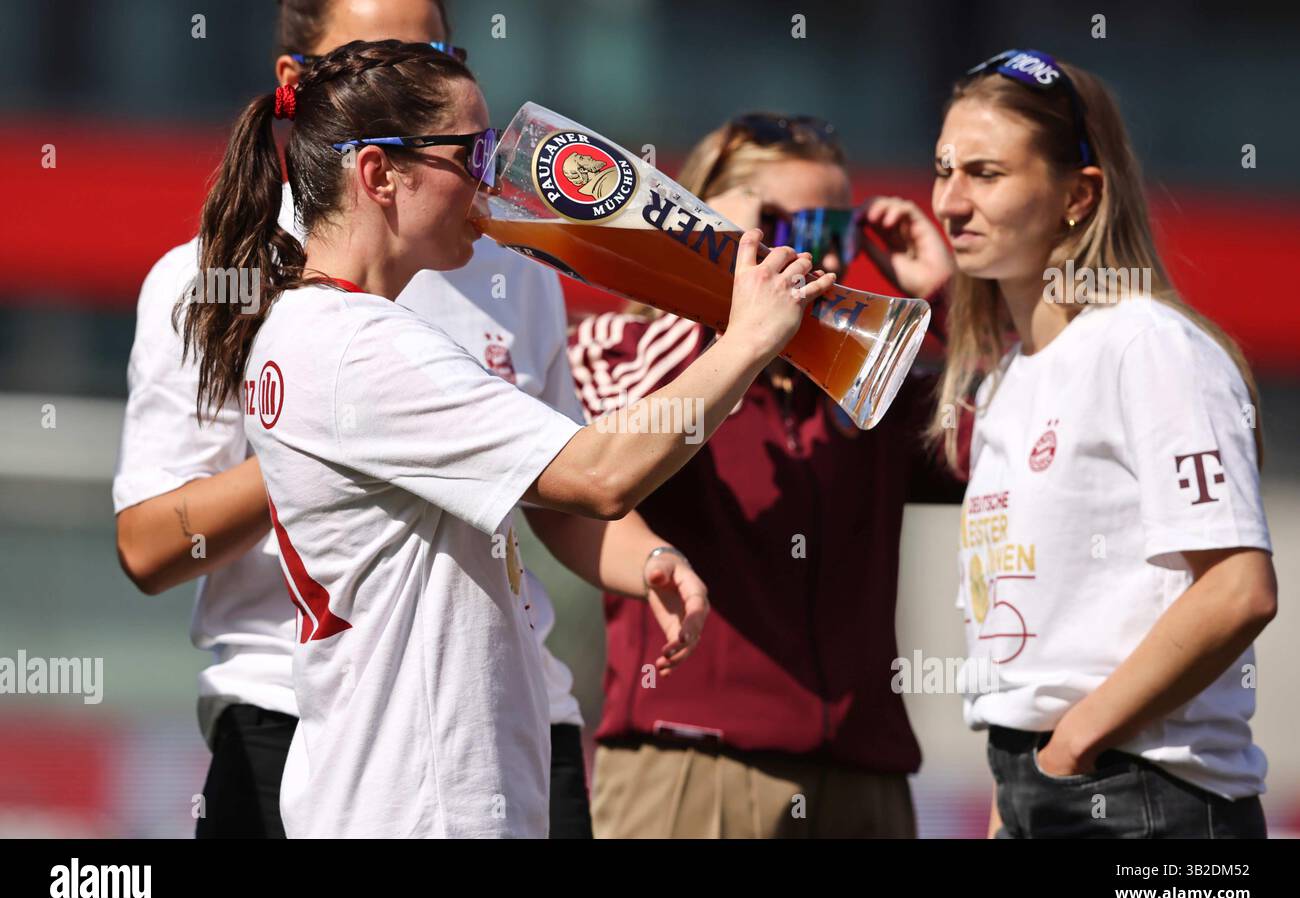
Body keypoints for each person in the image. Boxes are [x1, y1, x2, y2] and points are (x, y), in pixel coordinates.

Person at [179, 39, 836, 838]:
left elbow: (569, 489)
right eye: (472, 152)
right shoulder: (360, 345)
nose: (493, 178)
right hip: (423, 810)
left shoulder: (315, 328)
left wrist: (648, 556)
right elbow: (599, 475)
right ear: (379, 174)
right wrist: (749, 336)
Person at [114, 0, 698, 839]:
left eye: (439, 52)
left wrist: (652, 559)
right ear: (304, 88)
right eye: (379, 55)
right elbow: (148, 545)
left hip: (504, 709)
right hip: (296, 707)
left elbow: (558, 479)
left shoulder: (507, 266)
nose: (419, 73)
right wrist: (343, 442)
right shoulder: (218, 279)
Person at [568, 113, 963, 838]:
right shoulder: (615, 345)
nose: (820, 255)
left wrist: (947, 301)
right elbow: (600, 460)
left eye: (836, 230)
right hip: (690, 773)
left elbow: (1013, 448)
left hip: (865, 781)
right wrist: (708, 272)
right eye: (789, 228)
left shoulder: (866, 387)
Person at [931, 49, 1277, 838]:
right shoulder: (1006, 378)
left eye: (985, 173)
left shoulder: (1147, 345)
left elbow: (1238, 589)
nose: (949, 200)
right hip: (1042, 781)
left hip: (1143, 792)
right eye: (944, 169)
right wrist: (1020, 789)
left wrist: (1073, 745)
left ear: (1078, 196)